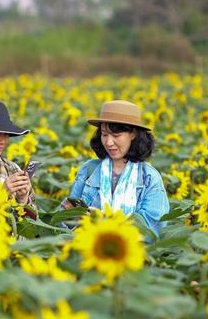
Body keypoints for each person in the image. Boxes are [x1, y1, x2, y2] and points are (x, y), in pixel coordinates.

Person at [62, 100, 170, 235]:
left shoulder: (149, 178)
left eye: (116, 135)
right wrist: (70, 216)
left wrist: (105, 221)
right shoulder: (89, 170)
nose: (108, 142)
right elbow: (66, 224)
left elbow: (153, 228)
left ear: (133, 134)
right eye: (104, 134)